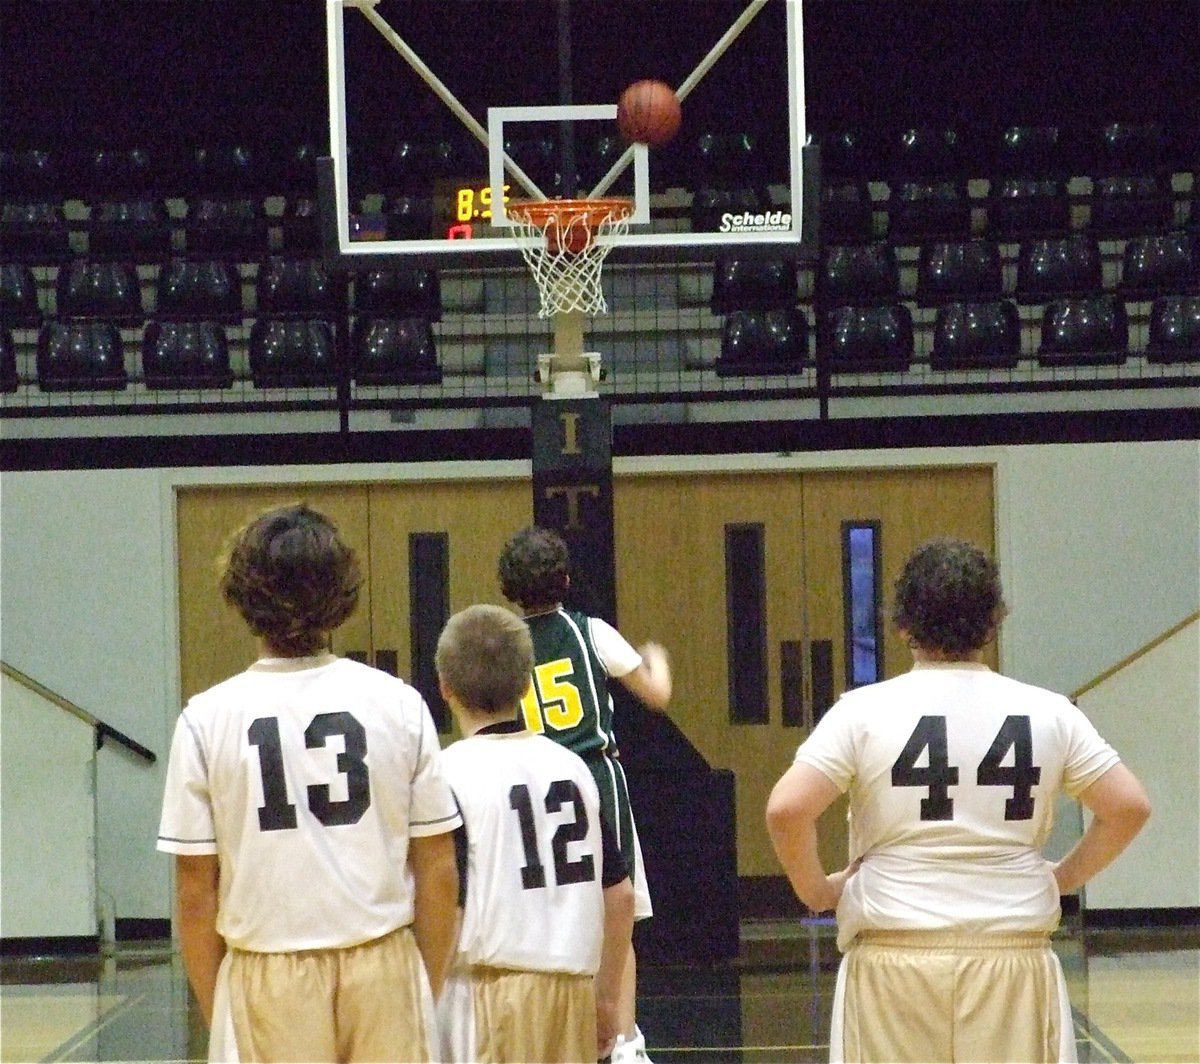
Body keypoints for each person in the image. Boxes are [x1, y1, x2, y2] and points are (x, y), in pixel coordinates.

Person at [766, 537, 1151, 1064]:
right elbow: (1128, 807)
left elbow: (787, 810)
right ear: (993, 623)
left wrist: (817, 891)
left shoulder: (862, 711)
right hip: (1012, 959)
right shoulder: (1050, 712)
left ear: (903, 624)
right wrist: (1060, 878)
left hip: (892, 957)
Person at [156, 503, 461, 1063]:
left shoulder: (205, 719)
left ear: (242, 594)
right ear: (341, 593)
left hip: (267, 973)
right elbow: (438, 870)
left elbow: (195, 896)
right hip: (383, 964)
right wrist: (423, 987)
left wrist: (219, 1010)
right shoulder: (401, 705)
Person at [496, 525, 671, 1064]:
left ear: (508, 590)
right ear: (567, 580)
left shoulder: (504, 646)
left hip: (527, 786)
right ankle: (624, 1044)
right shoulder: (589, 630)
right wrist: (656, 657)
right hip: (594, 779)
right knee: (617, 917)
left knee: (544, 915)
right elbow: (656, 696)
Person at [434, 603, 635, 1062]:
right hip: (572, 992)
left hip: (486, 995)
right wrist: (606, 1000)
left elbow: (450, 906)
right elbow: (620, 896)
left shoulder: (447, 775)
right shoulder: (573, 768)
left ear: (445, 688)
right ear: (528, 685)